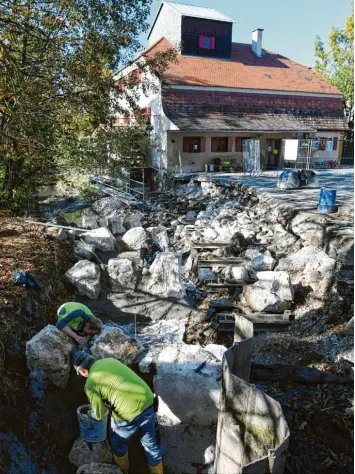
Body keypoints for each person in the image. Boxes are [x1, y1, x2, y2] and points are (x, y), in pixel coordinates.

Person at [73, 351, 163, 474]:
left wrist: (90, 413)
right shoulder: (110, 361)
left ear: (83, 371)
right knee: (151, 445)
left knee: (117, 443)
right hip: (147, 401)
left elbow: (98, 415)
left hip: (127, 413)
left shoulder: (90, 383)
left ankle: (122, 470)